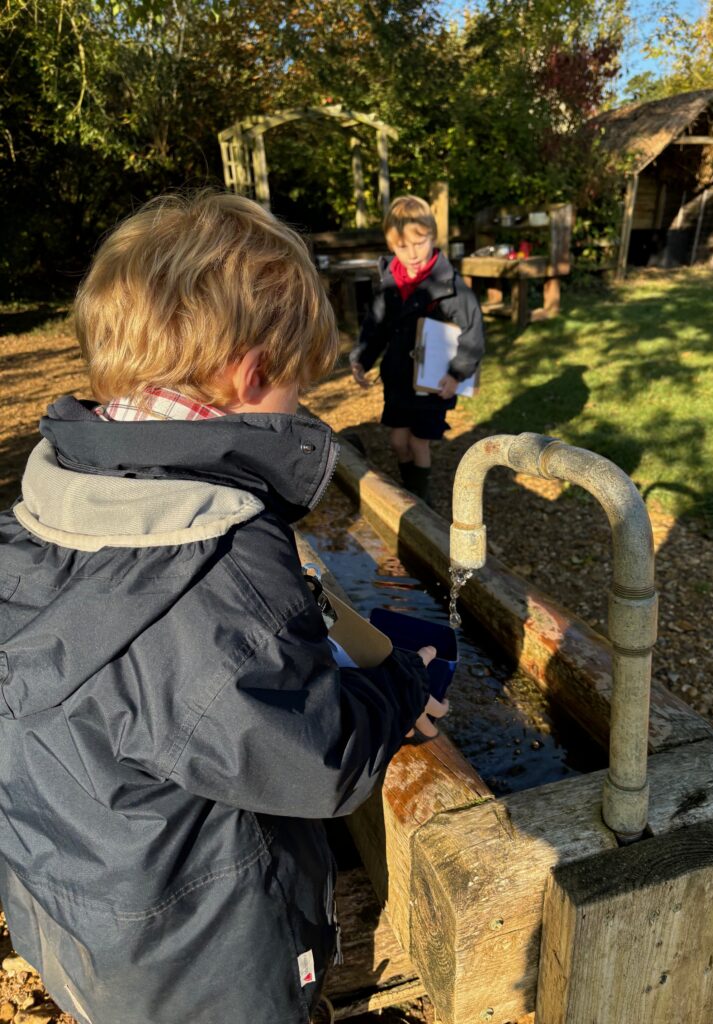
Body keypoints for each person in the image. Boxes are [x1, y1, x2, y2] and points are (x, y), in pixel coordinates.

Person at [0, 190, 448, 1024]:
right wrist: (400, 692)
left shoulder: (40, 509)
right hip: (207, 963)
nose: (301, 408)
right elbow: (316, 761)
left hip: (78, 917)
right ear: (249, 372)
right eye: (297, 387)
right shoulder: (221, 554)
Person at [349, 194, 484, 505]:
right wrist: (361, 359)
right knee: (398, 441)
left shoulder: (449, 286)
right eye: (402, 247)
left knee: (418, 441)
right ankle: (410, 483)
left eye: (419, 243)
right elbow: (376, 326)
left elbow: (473, 334)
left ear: (433, 237)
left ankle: (421, 501)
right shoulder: (389, 282)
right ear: (391, 245)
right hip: (398, 378)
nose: (412, 253)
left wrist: (456, 373)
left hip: (432, 383)